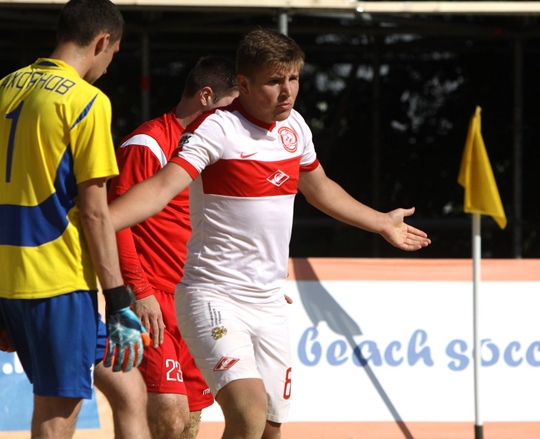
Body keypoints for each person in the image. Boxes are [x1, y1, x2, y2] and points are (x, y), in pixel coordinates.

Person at [109, 27, 432, 439]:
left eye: (293, 78)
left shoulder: (295, 127)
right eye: (275, 81)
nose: (287, 91)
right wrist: (96, 222)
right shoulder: (217, 128)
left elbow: (320, 189)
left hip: (269, 302)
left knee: (269, 428)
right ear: (243, 85)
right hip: (214, 295)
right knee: (248, 411)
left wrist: (382, 222)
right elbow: (159, 189)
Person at [0, 1, 150, 438]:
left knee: (128, 387)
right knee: (56, 412)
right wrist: (118, 299)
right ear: (102, 42)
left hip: (12, 275)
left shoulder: (7, 85)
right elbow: (96, 213)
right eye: (113, 54)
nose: (108, 65)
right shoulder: (87, 101)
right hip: (57, 280)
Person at [108, 55, 239, 439]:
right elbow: (114, 221)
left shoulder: (215, 149)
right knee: (170, 413)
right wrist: (140, 291)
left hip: (196, 300)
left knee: (190, 420)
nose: (237, 118)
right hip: (155, 301)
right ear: (206, 96)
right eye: (231, 106)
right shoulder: (148, 143)